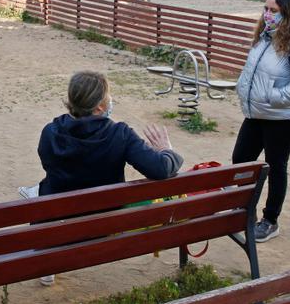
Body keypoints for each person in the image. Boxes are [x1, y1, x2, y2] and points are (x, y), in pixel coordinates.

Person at [30, 70, 183, 285]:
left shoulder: (50, 131)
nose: (111, 100)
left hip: (58, 220)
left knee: (44, 192)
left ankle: (49, 257)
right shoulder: (120, 134)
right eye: (108, 96)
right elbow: (160, 169)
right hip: (104, 222)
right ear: (100, 107)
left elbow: (48, 163)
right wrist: (167, 151)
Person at [232, 0, 290, 243]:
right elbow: (252, 71)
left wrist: (272, 97)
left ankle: (270, 220)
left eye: (274, 11)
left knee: (275, 165)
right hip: (257, 113)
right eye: (266, 9)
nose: (268, 14)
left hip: (283, 118)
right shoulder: (263, 37)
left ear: (287, 14)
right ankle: (241, 209)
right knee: (241, 159)